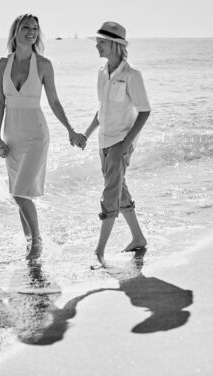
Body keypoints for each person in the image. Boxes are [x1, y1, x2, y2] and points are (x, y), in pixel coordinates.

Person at [0, 14, 85, 260]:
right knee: (19, 192)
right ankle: (29, 244)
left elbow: (54, 101)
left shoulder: (44, 64)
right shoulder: (2, 64)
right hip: (11, 134)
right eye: (26, 27)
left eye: (35, 28)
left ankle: (37, 244)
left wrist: (70, 129)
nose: (32, 32)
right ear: (16, 31)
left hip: (36, 134)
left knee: (20, 193)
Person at [77, 21, 151, 267]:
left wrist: (126, 145)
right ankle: (138, 237)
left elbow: (144, 112)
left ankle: (99, 252)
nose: (96, 46)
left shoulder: (132, 76)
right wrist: (87, 134)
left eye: (100, 42)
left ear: (114, 45)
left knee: (110, 193)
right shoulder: (101, 73)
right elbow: (101, 111)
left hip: (120, 143)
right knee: (119, 190)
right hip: (103, 142)